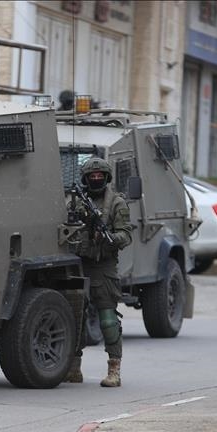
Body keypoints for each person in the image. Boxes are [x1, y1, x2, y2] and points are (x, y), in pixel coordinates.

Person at [65, 157, 132, 387]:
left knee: (107, 319)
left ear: (106, 178)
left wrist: (109, 238)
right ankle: (73, 368)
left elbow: (126, 235)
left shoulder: (117, 204)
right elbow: (65, 227)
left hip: (103, 265)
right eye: (91, 176)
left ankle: (114, 369)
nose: (95, 179)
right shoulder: (76, 202)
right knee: (75, 317)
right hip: (78, 263)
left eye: (99, 176)